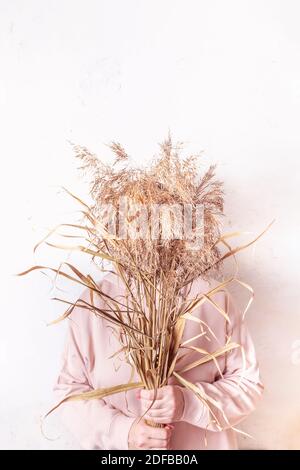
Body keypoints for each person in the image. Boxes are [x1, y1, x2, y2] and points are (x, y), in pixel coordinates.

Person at [53, 271, 263, 450]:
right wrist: (123, 431)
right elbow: (68, 392)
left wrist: (188, 403)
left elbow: (248, 384)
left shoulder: (213, 297)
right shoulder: (93, 302)